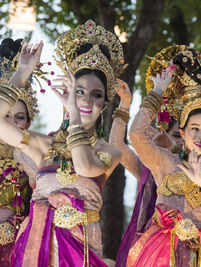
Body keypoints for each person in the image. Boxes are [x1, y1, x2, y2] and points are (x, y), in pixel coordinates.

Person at [0, 20, 124, 266]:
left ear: (105, 103)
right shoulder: (43, 146)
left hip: (81, 253)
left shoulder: (108, 151)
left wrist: (73, 115)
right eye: (79, 92)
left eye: (96, 95)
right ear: (68, 93)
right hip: (36, 253)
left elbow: (84, 167)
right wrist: (23, 72)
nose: (86, 100)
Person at [127, 45, 201, 266]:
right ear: (182, 132)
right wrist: (157, 92)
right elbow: (135, 134)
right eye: (195, 128)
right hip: (161, 253)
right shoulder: (165, 161)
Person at [110, 80, 183, 267]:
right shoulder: (150, 170)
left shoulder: (198, 173)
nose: (176, 142)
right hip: (146, 246)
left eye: (180, 136)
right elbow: (117, 146)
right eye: (175, 135)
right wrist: (124, 104)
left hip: (185, 248)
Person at [0, 38, 40, 266]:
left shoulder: (33, 155)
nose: (13, 123)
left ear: (29, 122)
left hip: (21, 249)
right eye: (6, 117)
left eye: (20, 117)